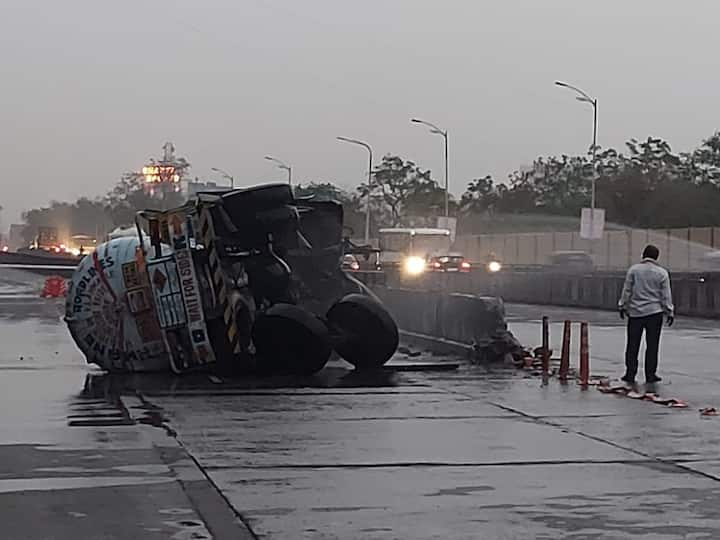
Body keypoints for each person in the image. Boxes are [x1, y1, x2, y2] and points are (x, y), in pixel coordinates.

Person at [618, 244, 674, 384]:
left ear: (643, 255)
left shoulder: (634, 270)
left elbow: (627, 290)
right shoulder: (662, 273)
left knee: (632, 344)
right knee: (652, 345)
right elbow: (666, 295)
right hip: (654, 313)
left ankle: (630, 373)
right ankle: (651, 374)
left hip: (636, 313)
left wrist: (622, 305)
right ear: (656, 257)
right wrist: (669, 311)